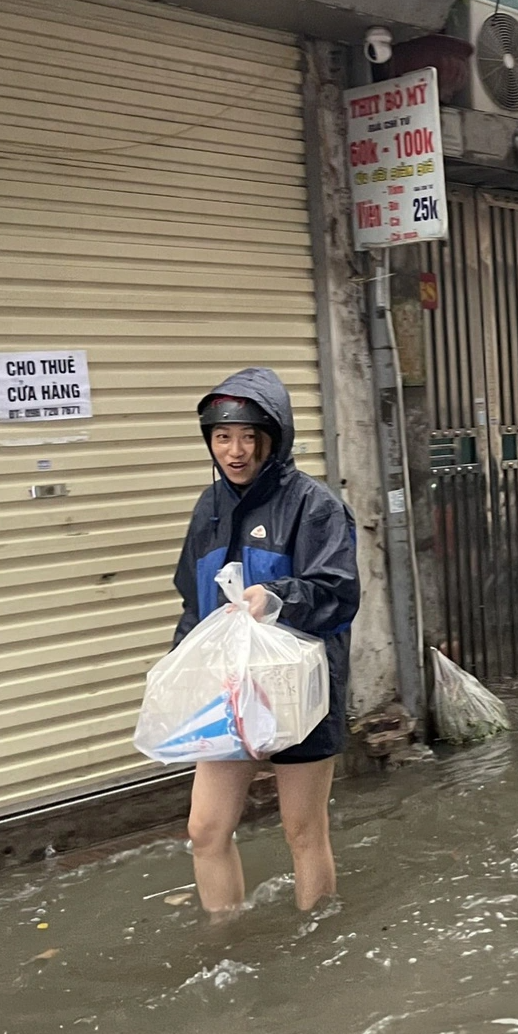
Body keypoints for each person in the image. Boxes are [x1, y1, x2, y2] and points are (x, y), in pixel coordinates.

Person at [175, 369, 360, 919]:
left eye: (249, 437)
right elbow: (193, 603)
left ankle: (317, 946)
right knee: (206, 829)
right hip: (228, 694)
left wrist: (276, 598)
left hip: (300, 693)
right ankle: (225, 939)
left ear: (273, 439)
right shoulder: (208, 510)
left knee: (302, 830)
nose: (235, 451)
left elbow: (338, 592)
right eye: (223, 437)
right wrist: (180, 670)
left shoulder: (314, 506)